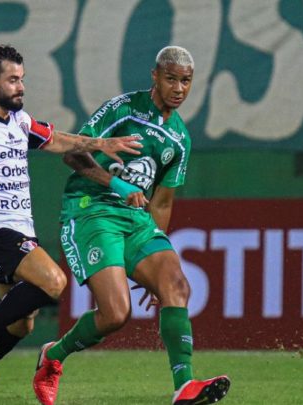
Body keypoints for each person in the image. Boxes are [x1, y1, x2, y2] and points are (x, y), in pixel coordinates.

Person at [0, 44, 142, 405]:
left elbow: (55, 140)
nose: (21, 87)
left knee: (23, 323)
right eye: (13, 80)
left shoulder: (20, 123)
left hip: (20, 229)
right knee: (53, 281)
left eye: (22, 79)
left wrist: (101, 142)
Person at [32, 46, 231, 405]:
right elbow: (73, 153)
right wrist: (120, 186)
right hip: (92, 209)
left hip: (136, 221)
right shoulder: (122, 110)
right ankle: (53, 356)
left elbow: (163, 202)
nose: (179, 89)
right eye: (171, 79)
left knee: (176, 285)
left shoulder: (180, 139)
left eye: (186, 81)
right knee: (116, 314)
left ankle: (184, 386)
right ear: (155, 76)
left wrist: (153, 257)